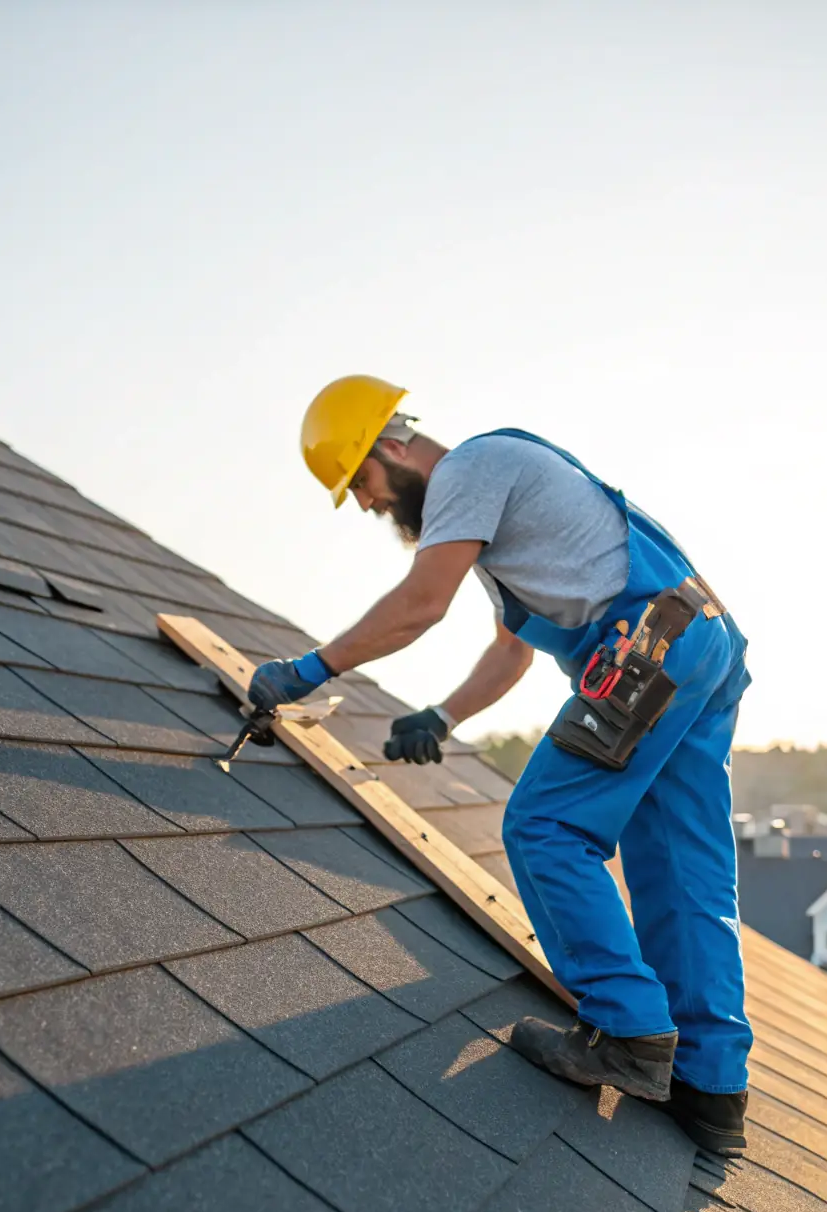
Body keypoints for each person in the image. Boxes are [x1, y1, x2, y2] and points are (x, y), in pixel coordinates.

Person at [249, 375, 753, 1154]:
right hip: (696, 639)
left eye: (365, 487)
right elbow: (512, 650)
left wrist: (308, 669)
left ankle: (631, 1032)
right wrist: (443, 715)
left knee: (547, 825)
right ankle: (712, 1088)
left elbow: (420, 603)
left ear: (391, 446)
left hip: (649, 641)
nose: (375, 508)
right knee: (682, 859)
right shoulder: (499, 503)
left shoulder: (468, 472)